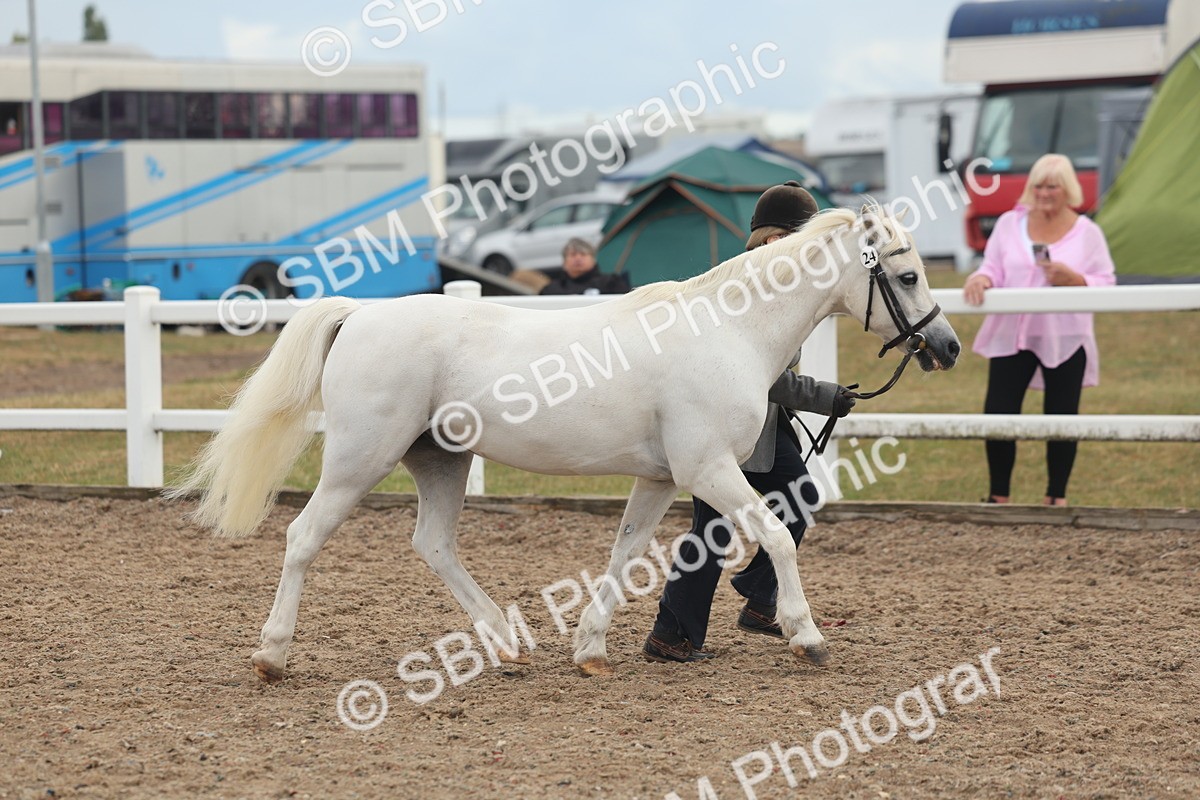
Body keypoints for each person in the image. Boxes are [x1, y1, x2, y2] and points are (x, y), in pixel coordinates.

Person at [642, 180, 856, 664]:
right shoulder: (744, 290)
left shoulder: (784, 285)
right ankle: (673, 633)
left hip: (763, 427)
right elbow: (764, 377)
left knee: (798, 494)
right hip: (722, 425)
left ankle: (759, 599)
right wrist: (824, 396)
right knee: (713, 527)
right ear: (778, 241)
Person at [962, 154, 1116, 506]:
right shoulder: (1007, 224)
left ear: (1068, 190)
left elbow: (1107, 283)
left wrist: (1075, 280)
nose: (1044, 193)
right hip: (1011, 336)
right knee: (999, 414)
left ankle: (1056, 497)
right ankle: (998, 496)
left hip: (1065, 338)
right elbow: (992, 266)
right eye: (1039, 186)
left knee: (1062, 417)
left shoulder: (1088, 233)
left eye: (1053, 186)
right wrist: (982, 278)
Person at [539, 238, 630, 295]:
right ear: (564, 262)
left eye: (583, 254)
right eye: (573, 255)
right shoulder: (551, 290)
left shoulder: (611, 283)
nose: (578, 258)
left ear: (593, 260)